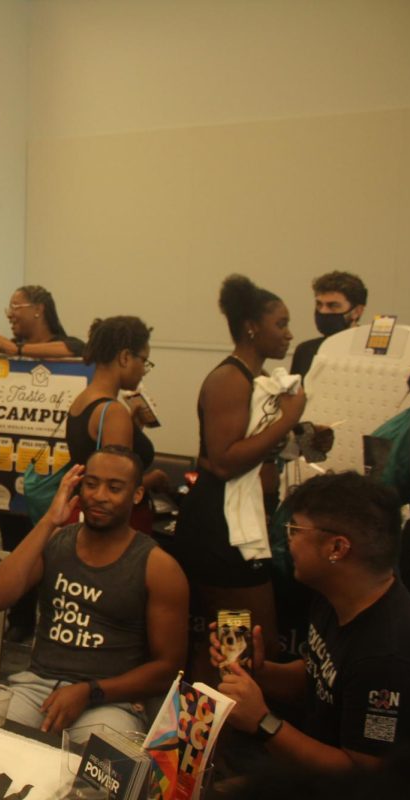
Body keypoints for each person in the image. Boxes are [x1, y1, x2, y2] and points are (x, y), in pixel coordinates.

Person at [210, 472, 410, 770]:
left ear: (336, 548)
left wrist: (263, 722)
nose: (288, 540)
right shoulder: (335, 595)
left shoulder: (387, 657)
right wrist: (260, 672)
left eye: (294, 529)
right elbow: (319, 679)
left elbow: (362, 776)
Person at [0, 448, 189, 734]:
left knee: (99, 765)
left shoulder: (158, 567)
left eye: (114, 488)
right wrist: (48, 521)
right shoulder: (56, 540)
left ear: (137, 495)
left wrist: (89, 691)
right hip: (36, 686)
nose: (99, 495)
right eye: (91, 484)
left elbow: (168, 668)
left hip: (111, 699)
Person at [174, 274, 305, 684]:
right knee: (241, 638)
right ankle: (208, 737)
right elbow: (225, 460)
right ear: (252, 327)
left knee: (231, 641)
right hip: (220, 529)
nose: (288, 334)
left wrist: (301, 434)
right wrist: (288, 419)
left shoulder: (256, 381)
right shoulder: (229, 378)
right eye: (280, 324)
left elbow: (251, 447)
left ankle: (207, 735)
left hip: (238, 525)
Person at [66, 316, 171, 530]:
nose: (143, 370)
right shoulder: (113, 412)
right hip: (112, 527)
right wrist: (155, 479)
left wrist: (134, 427)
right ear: (125, 357)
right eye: (143, 361)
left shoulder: (82, 400)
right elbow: (116, 487)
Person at [290, 271, 368, 380]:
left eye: (333, 305)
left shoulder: (370, 351)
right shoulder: (305, 351)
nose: (323, 311)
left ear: (357, 311)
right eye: (319, 304)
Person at [0, 285, 84, 360]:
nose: (9, 315)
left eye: (15, 307)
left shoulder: (66, 344)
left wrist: (18, 350)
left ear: (38, 309)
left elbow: (77, 348)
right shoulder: (10, 347)